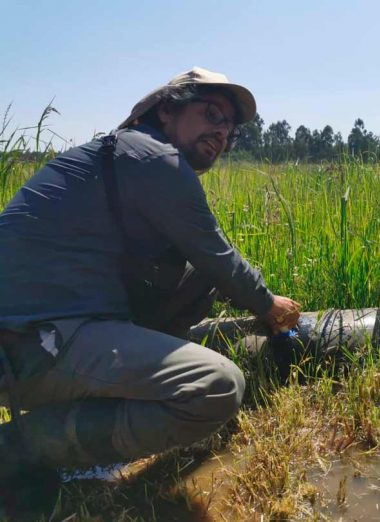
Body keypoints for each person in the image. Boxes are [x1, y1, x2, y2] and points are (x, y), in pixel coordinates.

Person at [0, 67, 301, 499]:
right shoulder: (155, 159)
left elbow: (204, 269)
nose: (221, 132)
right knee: (217, 387)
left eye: (229, 128)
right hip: (29, 344)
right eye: (211, 114)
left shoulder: (126, 155)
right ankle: (18, 448)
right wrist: (270, 306)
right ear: (165, 111)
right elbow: (218, 257)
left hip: (50, 327)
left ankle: (110, 407)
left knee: (195, 279)